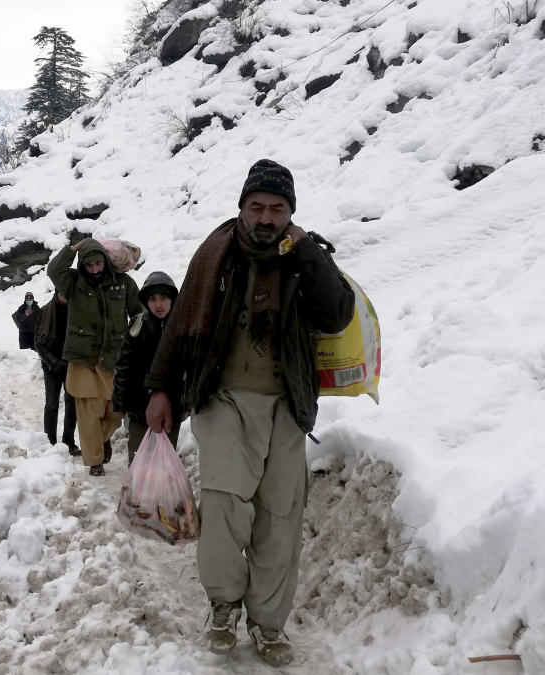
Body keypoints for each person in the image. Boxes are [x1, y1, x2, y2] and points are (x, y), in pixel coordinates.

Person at [145, 159, 356, 666]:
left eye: (277, 208)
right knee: (222, 506)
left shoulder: (305, 258)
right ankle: (222, 603)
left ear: (290, 214)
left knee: (280, 516)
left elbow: (337, 313)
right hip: (222, 399)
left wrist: (307, 251)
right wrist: (160, 388)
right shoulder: (215, 255)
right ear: (242, 208)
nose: (265, 217)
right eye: (257, 206)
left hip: (287, 404)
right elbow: (180, 328)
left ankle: (267, 622)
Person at [47, 237, 142, 476]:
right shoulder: (72, 283)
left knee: (114, 412)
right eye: (89, 265)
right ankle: (94, 461)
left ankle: (102, 440)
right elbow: (54, 270)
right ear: (82, 265)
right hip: (84, 360)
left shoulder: (124, 283)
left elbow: (138, 312)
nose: (94, 269)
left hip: (114, 358)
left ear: (105, 262)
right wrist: (73, 249)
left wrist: (136, 333)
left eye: (98, 264)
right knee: (89, 414)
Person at [112, 271, 181, 466]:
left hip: (171, 408)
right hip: (139, 407)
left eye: (164, 298)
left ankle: (161, 495)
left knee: (165, 460)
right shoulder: (138, 326)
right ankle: (138, 495)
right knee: (139, 459)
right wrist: (119, 402)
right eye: (152, 299)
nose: (158, 304)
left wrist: (189, 400)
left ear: (173, 298)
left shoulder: (182, 327)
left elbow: (190, 367)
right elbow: (123, 365)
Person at [35, 292, 79, 455]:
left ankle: (69, 442)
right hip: (51, 366)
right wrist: (54, 363)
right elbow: (38, 342)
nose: (64, 295)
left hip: (72, 365)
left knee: (72, 404)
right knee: (52, 404)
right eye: (61, 291)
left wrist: (71, 362)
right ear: (56, 292)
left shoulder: (77, 311)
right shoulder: (45, 311)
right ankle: (49, 443)